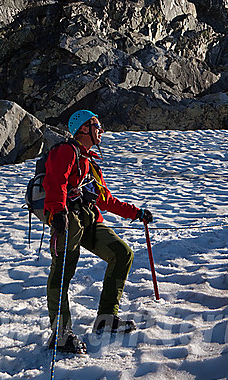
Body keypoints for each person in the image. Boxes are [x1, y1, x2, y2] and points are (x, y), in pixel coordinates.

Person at [43, 109, 153, 353]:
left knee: (122, 253)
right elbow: (56, 181)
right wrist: (58, 212)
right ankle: (60, 333)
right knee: (62, 272)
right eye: (96, 125)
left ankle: (106, 318)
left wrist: (136, 213)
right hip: (68, 219)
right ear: (83, 129)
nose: (101, 130)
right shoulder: (66, 151)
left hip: (89, 219)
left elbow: (106, 200)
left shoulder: (90, 163)